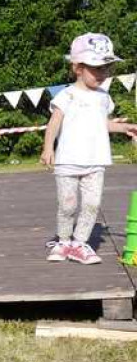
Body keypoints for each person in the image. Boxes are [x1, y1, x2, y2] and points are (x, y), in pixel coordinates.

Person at [41, 32, 137, 264]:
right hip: (68, 161)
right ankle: (63, 240)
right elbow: (54, 123)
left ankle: (80, 244)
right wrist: (48, 148)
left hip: (96, 161)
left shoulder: (104, 97)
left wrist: (125, 128)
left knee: (92, 205)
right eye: (96, 68)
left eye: (106, 68)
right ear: (78, 68)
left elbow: (101, 124)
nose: (102, 74)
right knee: (67, 204)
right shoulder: (67, 95)